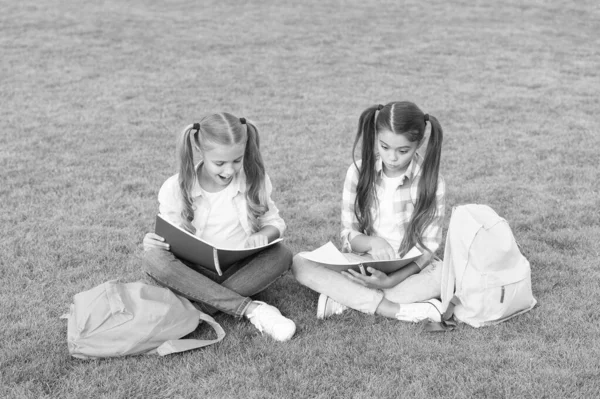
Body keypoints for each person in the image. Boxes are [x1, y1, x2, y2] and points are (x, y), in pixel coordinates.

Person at [143, 113, 296, 341]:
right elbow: (170, 233)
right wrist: (154, 242)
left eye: (237, 160)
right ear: (199, 148)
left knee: (281, 254)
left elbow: (274, 222)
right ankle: (252, 309)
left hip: (240, 268)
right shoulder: (174, 187)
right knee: (153, 259)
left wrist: (265, 234)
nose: (229, 171)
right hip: (194, 271)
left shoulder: (255, 180)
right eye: (219, 163)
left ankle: (194, 310)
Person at [292, 101, 446, 322]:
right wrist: (373, 243)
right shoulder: (357, 172)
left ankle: (342, 298)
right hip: (364, 263)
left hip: (408, 270)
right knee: (300, 263)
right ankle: (394, 309)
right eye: (384, 147)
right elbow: (349, 235)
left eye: (403, 151)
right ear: (376, 137)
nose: (392, 158)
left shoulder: (432, 182)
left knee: (445, 275)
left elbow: (428, 247)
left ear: (418, 143)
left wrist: (391, 280)